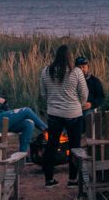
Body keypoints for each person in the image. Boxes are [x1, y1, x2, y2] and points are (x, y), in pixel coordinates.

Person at [39, 44, 91, 187]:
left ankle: (49, 179)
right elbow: (84, 94)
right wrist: (78, 104)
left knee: (51, 145)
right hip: (73, 114)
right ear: (69, 56)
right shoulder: (76, 72)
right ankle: (72, 180)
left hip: (54, 114)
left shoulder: (46, 71)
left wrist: (53, 101)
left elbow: (43, 94)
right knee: (75, 146)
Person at [0, 72, 48, 153]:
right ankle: (47, 131)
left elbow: (5, 110)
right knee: (26, 110)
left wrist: (4, 103)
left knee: (29, 123)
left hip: (3, 122)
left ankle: (22, 154)